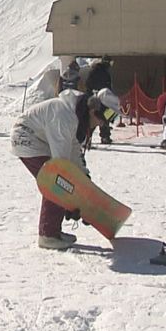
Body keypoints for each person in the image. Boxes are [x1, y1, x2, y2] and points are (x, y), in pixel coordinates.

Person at [11, 87, 122, 249]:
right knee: (55, 183)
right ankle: (48, 235)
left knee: (60, 183)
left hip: (40, 141)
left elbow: (74, 149)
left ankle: (53, 231)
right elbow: (60, 166)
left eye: (112, 118)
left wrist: (84, 178)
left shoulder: (76, 117)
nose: (104, 123)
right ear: (94, 109)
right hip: (26, 139)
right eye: (106, 116)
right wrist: (71, 201)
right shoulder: (64, 117)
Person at [83, 58, 114, 145]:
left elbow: (87, 85)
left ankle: (87, 138)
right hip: (103, 100)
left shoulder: (92, 72)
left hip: (93, 99)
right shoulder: (105, 73)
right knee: (104, 118)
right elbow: (108, 87)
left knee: (92, 119)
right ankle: (104, 137)